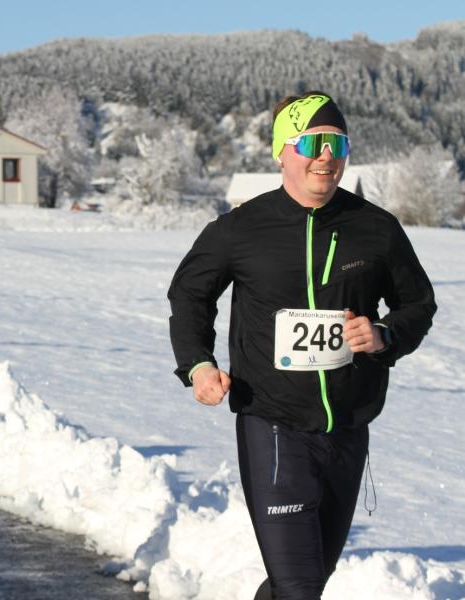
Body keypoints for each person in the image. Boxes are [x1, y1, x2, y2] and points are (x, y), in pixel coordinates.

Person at [167, 91, 437, 599]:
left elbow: (418, 303)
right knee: (300, 586)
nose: (327, 156)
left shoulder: (376, 228)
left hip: (348, 429)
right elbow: (189, 295)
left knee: (306, 579)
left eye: (338, 144)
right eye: (313, 143)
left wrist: (384, 335)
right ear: (282, 151)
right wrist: (198, 364)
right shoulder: (241, 229)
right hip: (272, 421)